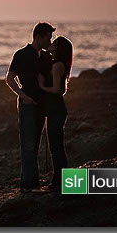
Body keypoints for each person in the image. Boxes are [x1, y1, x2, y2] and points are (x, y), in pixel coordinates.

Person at [5, 22, 55, 192]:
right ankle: (29, 185)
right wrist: (22, 95)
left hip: (42, 105)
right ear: (39, 37)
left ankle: (32, 183)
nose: (50, 41)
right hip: (27, 105)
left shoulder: (46, 57)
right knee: (28, 145)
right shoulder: (21, 54)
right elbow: (10, 78)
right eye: (48, 37)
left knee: (35, 144)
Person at [37, 36, 73, 192]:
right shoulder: (57, 64)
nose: (50, 44)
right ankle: (59, 181)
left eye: (54, 43)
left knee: (56, 146)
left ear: (59, 48)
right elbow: (62, 89)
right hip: (55, 109)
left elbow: (57, 90)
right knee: (56, 145)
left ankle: (59, 182)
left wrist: (41, 86)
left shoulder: (58, 65)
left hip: (56, 109)